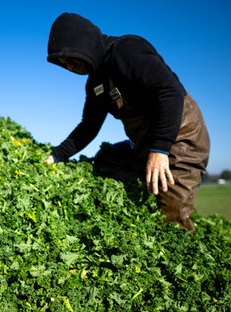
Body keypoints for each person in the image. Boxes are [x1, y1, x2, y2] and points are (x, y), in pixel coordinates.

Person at [45, 13, 210, 234]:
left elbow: (170, 92)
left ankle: (168, 207)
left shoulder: (126, 49)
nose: (70, 66)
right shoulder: (95, 82)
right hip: (144, 145)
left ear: (82, 43)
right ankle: (143, 198)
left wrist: (160, 150)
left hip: (179, 139)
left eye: (70, 57)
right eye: (63, 63)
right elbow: (88, 126)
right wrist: (55, 156)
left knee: (172, 226)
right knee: (105, 160)